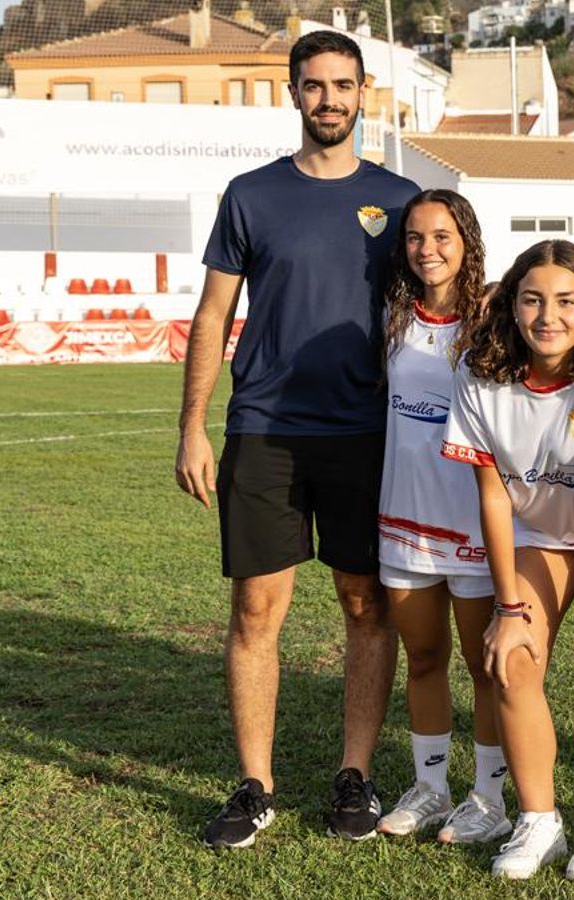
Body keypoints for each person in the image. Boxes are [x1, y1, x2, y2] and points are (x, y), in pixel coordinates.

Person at [176, 29, 419, 850]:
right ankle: (255, 786)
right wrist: (193, 428)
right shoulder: (250, 195)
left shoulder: (402, 198)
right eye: (313, 86)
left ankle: (355, 774)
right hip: (265, 430)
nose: (329, 100)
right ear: (292, 94)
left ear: (364, 94)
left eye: (343, 86)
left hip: (367, 433)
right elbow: (213, 316)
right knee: (255, 609)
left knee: (365, 604)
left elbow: (436, 313)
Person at [441, 239, 574, 883]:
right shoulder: (479, 371)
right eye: (532, 299)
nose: (548, 316)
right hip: (538, 535)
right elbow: (494, 499)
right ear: (511, 303)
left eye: (567, 300)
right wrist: (509, 608)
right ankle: (540, 819)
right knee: (511, 658)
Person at [370, 190, 512, 846]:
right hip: (404, 515)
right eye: (416, 238)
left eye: (443, 236)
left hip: (477, 521)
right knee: (424, 657)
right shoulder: (393, 315)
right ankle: (431, 788)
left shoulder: (495, 319)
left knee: (487, 667)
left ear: (467, 241)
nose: (428, 249)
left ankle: (488, 798)